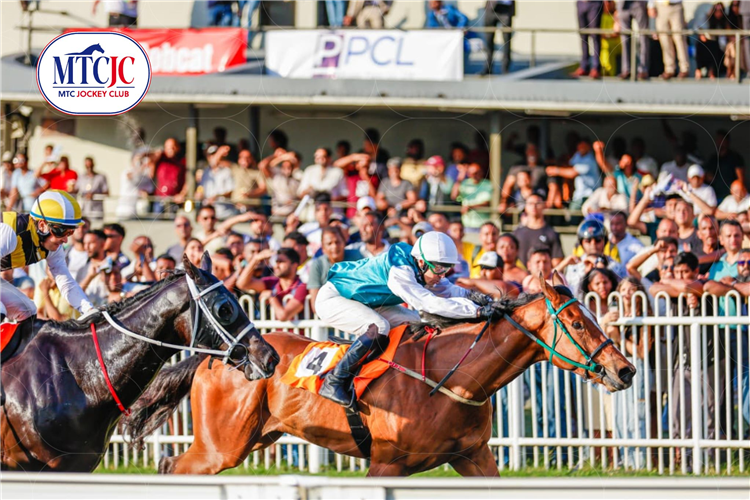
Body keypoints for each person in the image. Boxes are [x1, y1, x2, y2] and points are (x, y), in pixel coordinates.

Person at [315, 231, 488, 406]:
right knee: (379, 327)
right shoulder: (400, 273)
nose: (442, 275)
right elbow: (430, 304)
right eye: (439, 268)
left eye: (446, 268)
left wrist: (483, 300)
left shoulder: (422, 267)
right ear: (422, 262)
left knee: (420, 324)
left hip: (368, 302)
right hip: (334, 298)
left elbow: (450, 290)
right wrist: (478, 312)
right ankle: (334, 381)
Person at [0, 190, 94, 325]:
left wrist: (89, 309)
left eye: (70, 232)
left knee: (27, 311)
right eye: (61, 231)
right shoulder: (9, 234)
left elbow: (66, 282)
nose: (65, 240)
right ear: (42, 225)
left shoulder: (53, 247)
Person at [237, 247, 308, 322]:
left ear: (294, 265)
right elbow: (242, 284)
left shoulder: (302, 287)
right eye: (276, 262)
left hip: (295, 330)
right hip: (273, 329)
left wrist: (271, 297)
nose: (276, 266)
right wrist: (255, 260)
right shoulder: (272, 282)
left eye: (281, 262)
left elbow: (283, 316)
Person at [308, 227, 362, 314]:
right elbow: (315, 304)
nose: (334, 246)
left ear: (344, 243)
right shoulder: (317, 265)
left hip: (357, 312)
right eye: (329, 243)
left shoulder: (357, 258)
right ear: (323, 248)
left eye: (337, 242)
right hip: (329, 316)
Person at [512, 193, 564, 267]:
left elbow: (556, 263)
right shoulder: (517, 233)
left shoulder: (551, 233)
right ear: (525, 207)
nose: (534, 206)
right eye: (530, 203)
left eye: (538, 203)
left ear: (544, 206)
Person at [651, 0, 689, 80]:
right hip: (661, 6)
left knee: (679, 38)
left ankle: (684, 68)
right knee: (664, 38)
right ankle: (669, 69)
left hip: (676, 5)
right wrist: (651, 5)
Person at [451, 160, 492, 229]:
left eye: (476, 173)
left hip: (482, 223)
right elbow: (454, 196)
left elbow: (487, 203)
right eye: (472, 173)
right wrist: (459, 179)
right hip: (466, 223)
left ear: (481, 172)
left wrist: (470, 207)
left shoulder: (488, 185)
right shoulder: (465, 183)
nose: (474, 176)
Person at [617, 0, 649, 80]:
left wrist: (651, 4)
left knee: (643, 36)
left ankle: (643, 70)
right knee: (624, 37)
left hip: (639, 2)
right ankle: (626, 69)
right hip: (623, 4)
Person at [483, 0, 515, 75]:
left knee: (506, 40)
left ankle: (505, 68)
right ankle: (488, 67)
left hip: (506, 8)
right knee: (488, 40)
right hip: (491, 8)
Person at [574, 0, 603, 79]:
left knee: (595, 35)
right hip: (581, 3)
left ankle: (596, 68)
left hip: (595, 3)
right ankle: (584, 67)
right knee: (583, 35)